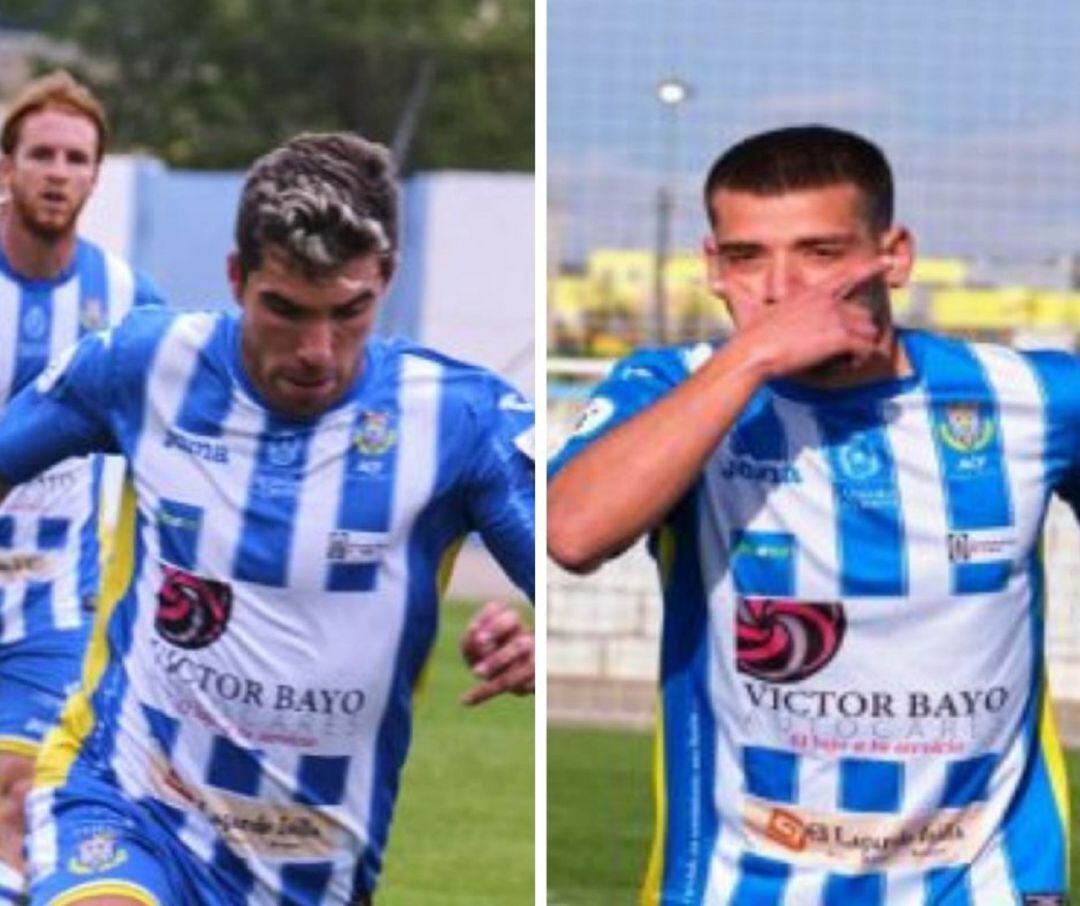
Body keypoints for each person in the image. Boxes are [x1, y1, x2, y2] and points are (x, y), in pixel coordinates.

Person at [0, 132, 534, 905]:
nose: (317, 349)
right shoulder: (142, 364)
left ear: (386, 279)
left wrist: (537, 642)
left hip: (312, 861)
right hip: (126, 801)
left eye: (348, 311)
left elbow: (567, 554)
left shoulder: (460, 419)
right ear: (236, 277)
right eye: (284, 309)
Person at [549, 125, 1077, 904]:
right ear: (712, 268)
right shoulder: (669, 388)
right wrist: (756, 357)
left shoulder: (1033, 398)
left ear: (893, 255)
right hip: (743, 885)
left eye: (821, 254)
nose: (781, 288)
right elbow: (573, 531)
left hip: (987, 882)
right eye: (747, 257)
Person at [0, 70, 162, 902]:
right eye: (41, 155)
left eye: (75, 157)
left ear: (97, 174)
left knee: (19, 793)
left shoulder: (129, 301)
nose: (58, 172)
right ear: (7, 167)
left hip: (54, 600)